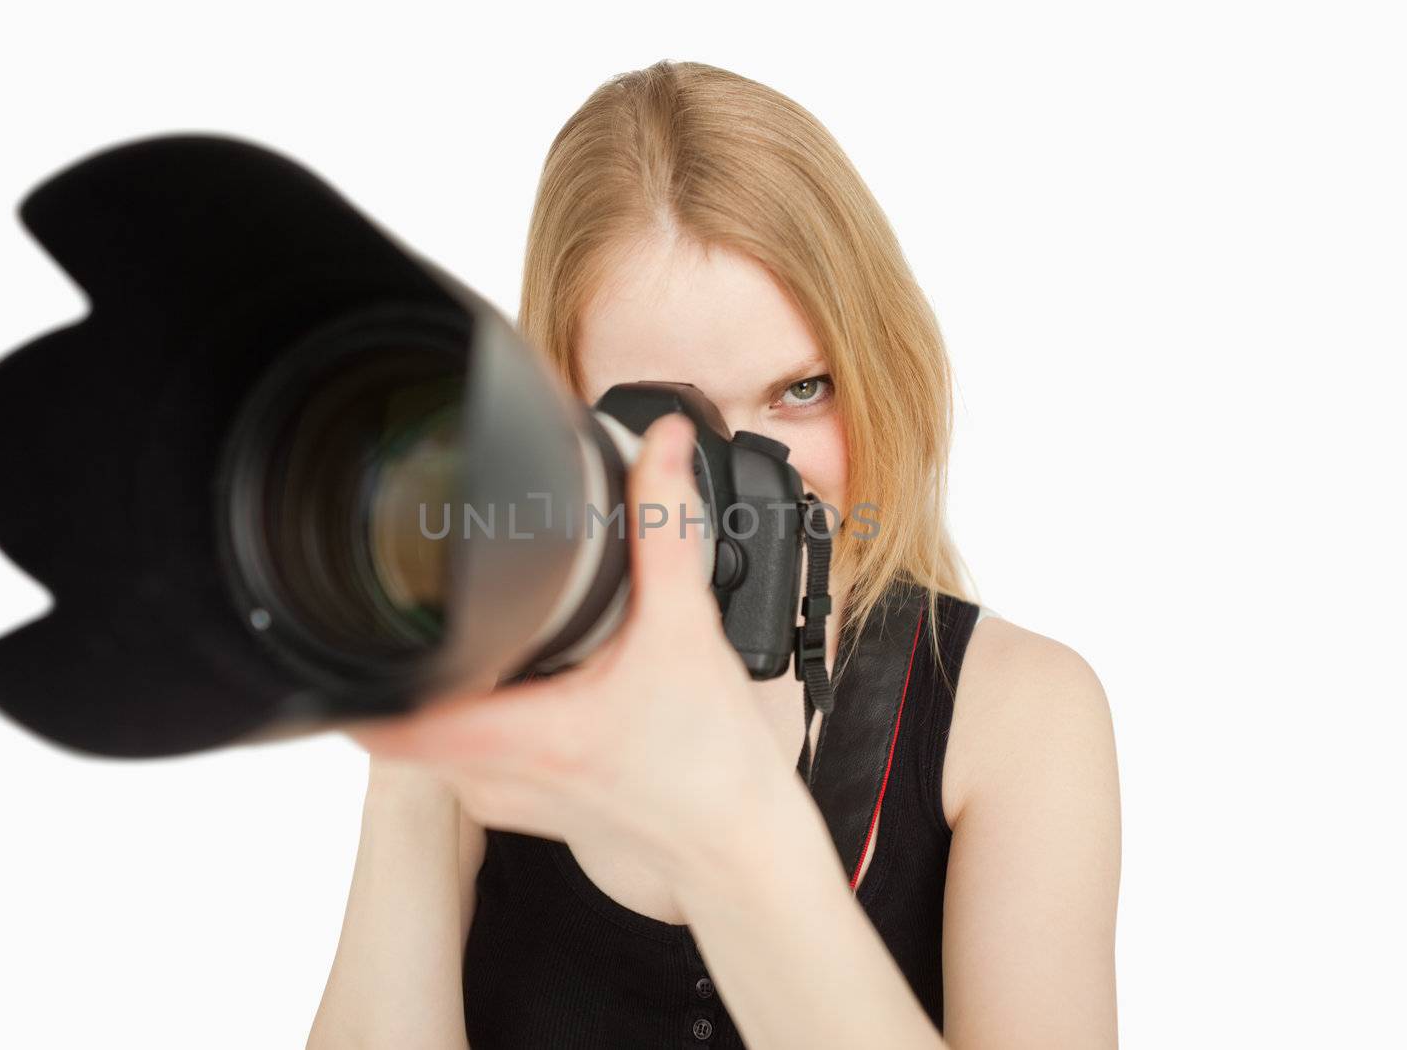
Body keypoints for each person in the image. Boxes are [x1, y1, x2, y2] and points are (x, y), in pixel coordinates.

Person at [307, 60, 1120, 1050]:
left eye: (802, 388)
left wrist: (726, 815)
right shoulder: (498, 714)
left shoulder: (1014, 714)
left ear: (875, 365)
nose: (753, 483)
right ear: (563, 414)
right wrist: (414, 759)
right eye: (672, 417)